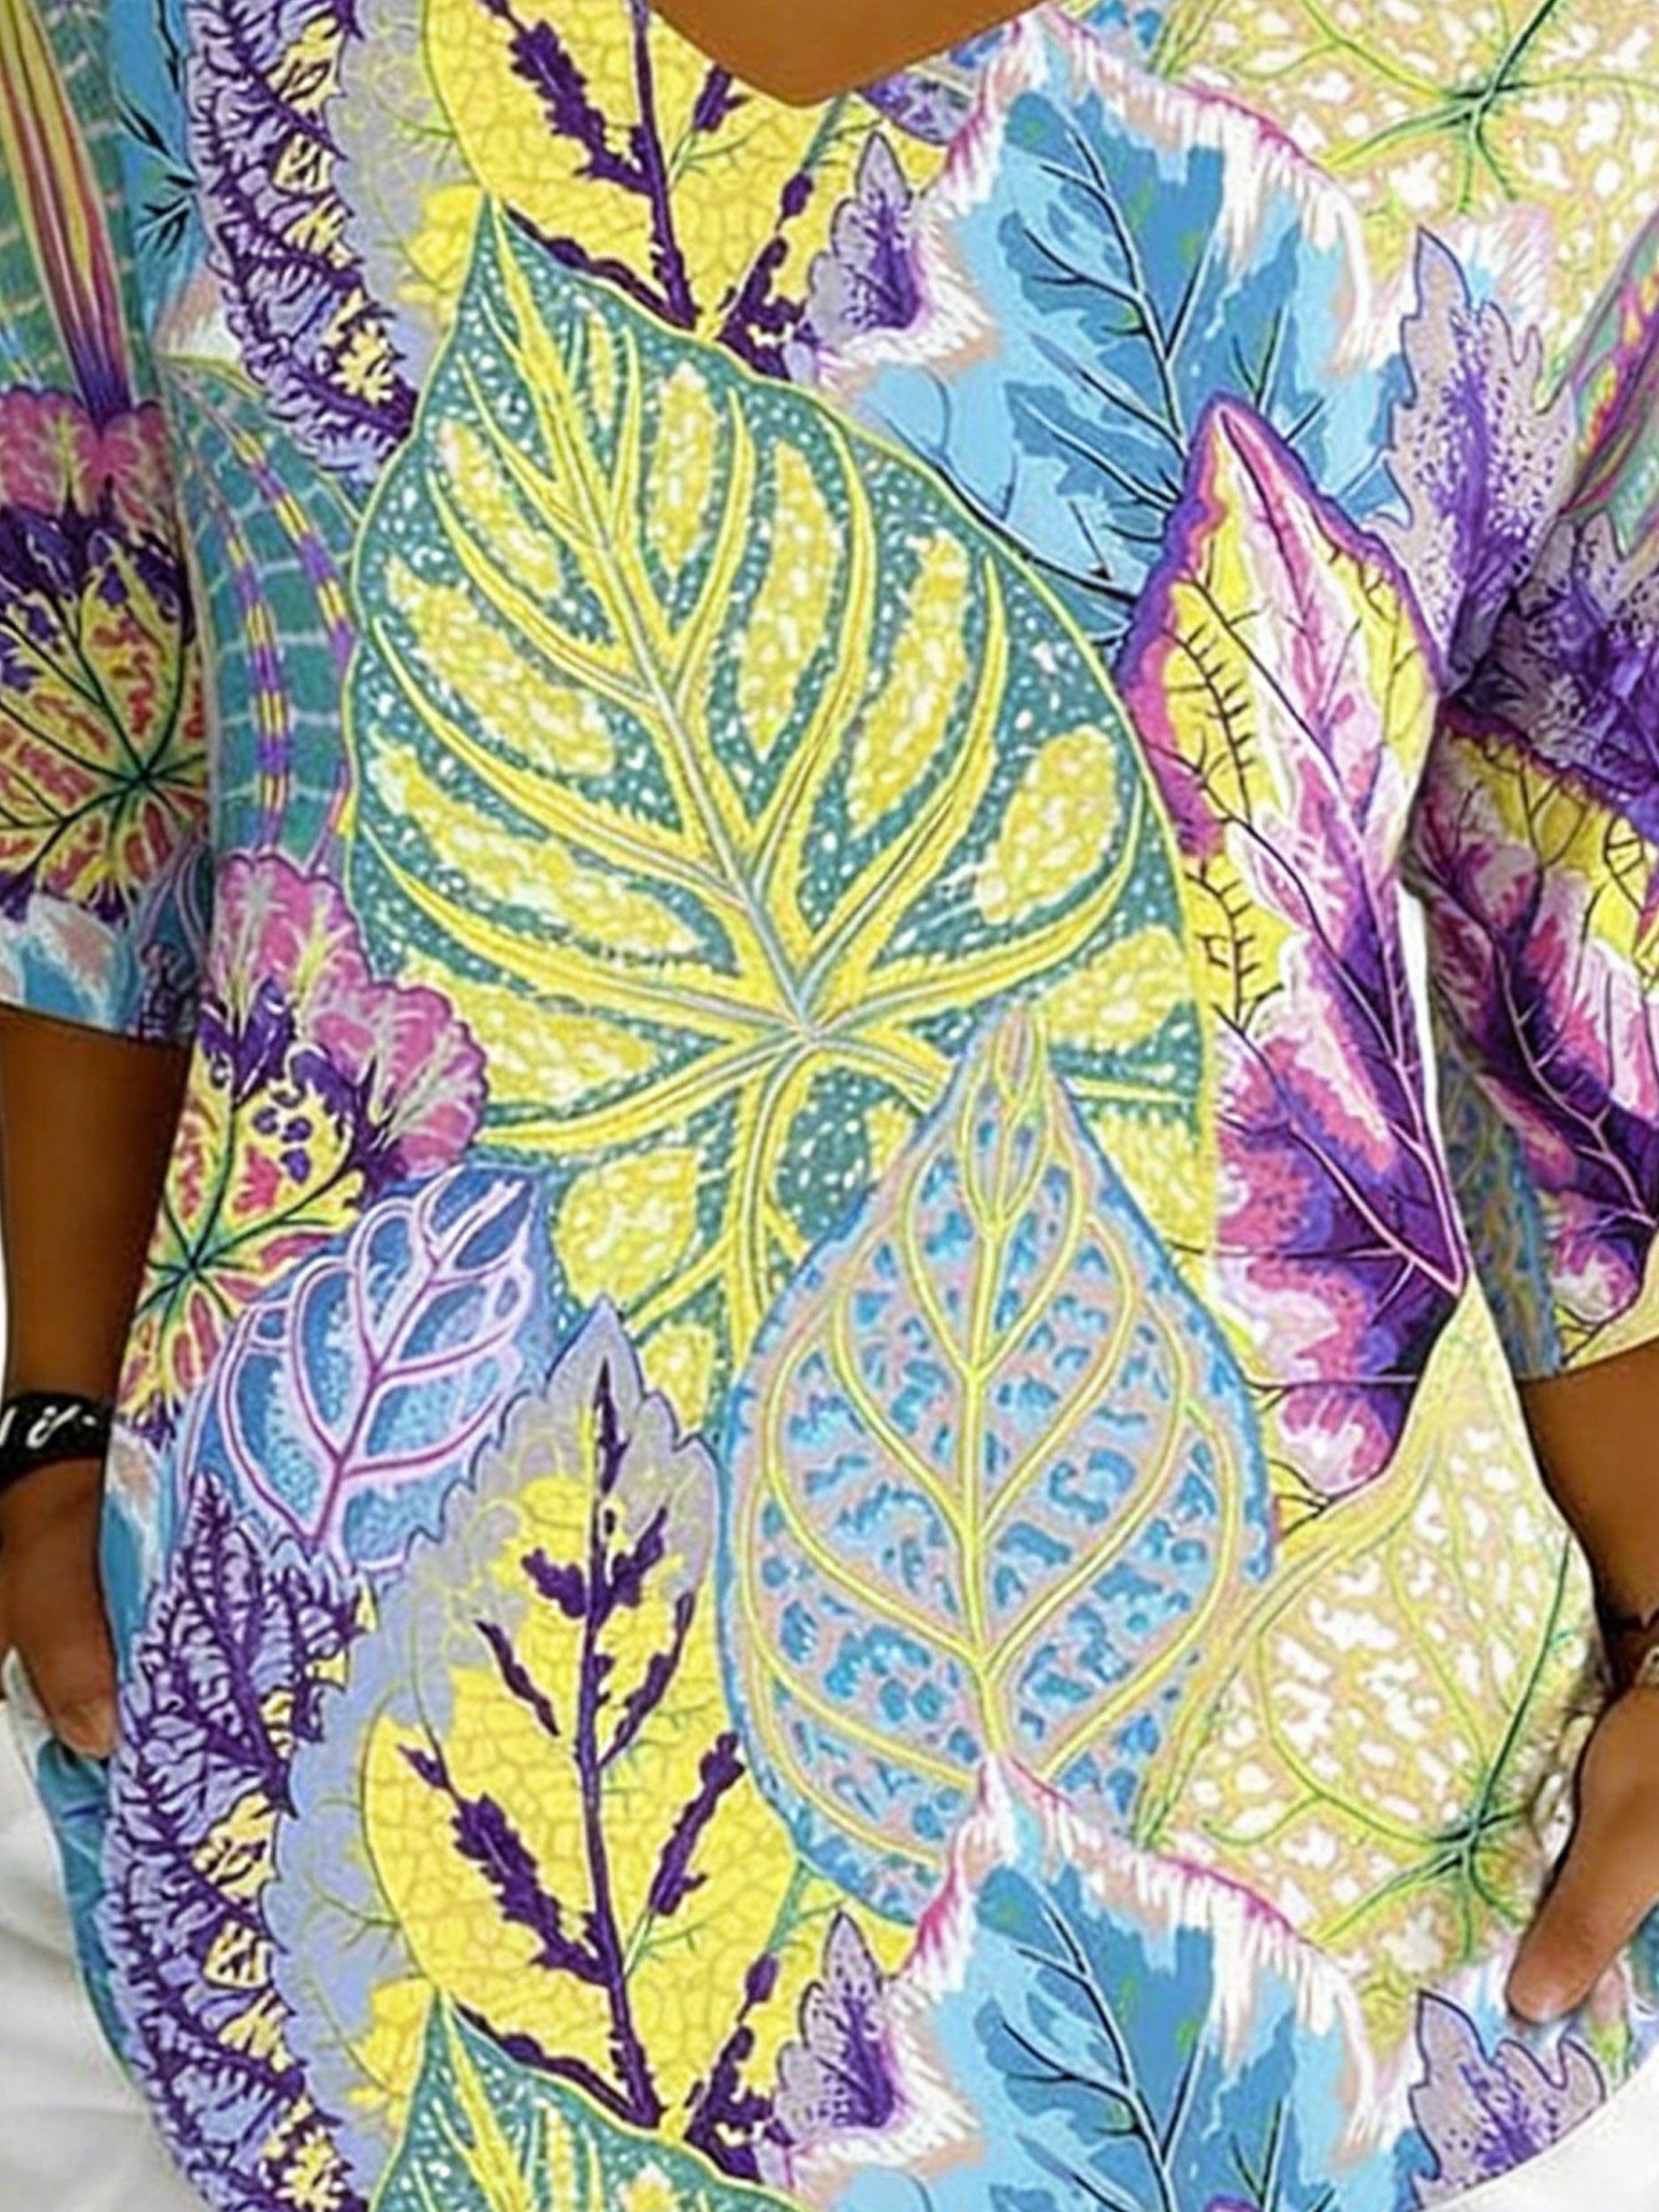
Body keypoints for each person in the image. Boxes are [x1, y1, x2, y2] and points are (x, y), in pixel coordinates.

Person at [3, 0, 1659, 2205]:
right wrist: (46, 1431)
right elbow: (97, 748)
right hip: (376, 1833)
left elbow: (1569, 890)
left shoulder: (1557, 45)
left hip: (1315, 1899)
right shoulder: (156, 26)